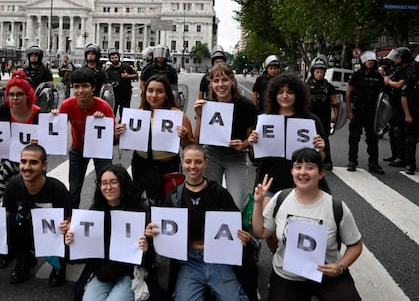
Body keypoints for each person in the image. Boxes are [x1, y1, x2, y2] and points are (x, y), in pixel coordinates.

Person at [251, 148, 365, 301]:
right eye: (298, 167)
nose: (303, 172)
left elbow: (355, 245)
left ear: (320, 173)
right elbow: (261, 233)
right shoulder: (281, 198)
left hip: (325, 273)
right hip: (289, 275)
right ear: (292, 172)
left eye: (310, 167)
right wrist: (258, 204)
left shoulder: (335, 206)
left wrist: (340, 267)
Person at [145, 144, 252, 301]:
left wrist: (244, 237)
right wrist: (151, 232)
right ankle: (205, 290)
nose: (192, 166)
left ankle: (218, 291)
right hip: (190, 260)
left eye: (197, 162)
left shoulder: (219, 192)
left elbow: (237, 224)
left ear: (205, 163)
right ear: (182, 163)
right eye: (188, 161)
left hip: (217, 258)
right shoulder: (173, 196)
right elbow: (162, 228)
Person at [63, 165, 152, 301]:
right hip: (102, 270)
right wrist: (71, 242)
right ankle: (115, 300)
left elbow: (150, 260)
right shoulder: (95, 211)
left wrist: (146, 249)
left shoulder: (138, 212)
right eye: (103, 183)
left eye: (113, 182)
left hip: (128, 272)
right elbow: (79, 255)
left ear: (123, 184)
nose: (108, 187)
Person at [0, 144, 72, 285]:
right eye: (23, 162)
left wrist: (66, 229)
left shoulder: (57, 188)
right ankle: (25, 259)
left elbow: (69, 219)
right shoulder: (13, 185)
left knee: (68, 234)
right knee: (12, 224)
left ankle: (59, 264)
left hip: (51, 232)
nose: (27, 167)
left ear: (44, 165)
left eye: (33, 162)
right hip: (24, 227)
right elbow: (5, 215)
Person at [247, 72, 327, 195]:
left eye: (290, 92)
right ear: (274, 95)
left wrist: (320, 150)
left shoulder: (311, 121)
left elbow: (321, 160)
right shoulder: (263, 119)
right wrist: (252, 145)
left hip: (302, 184)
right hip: (270, 183)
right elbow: (255, 159)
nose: (285, 96)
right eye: (280, 92)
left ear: (298, 95)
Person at [54, 67, 122, 208]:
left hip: (100, 150)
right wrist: (54, 118)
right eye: (76, 87)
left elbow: (115, 139)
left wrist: (113, 129)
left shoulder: (103, 107)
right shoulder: (67, 104)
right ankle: (71, 220)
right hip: (78, 149)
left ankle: (104, 217)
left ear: (93, 88)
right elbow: (56, 130)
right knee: (74, 190)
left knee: (106, 187)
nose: (80, 91)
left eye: (85, 86)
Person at [193, 62, 257, 210]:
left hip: (236, 157)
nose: (220, 85)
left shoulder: (247, 106)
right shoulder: (207, 105)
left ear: (232, 81)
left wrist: (243, 145)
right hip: (212, 155)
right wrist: (199, 116)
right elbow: (197, 141)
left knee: (236, 207)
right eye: (216, 80)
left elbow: (251, 139)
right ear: (211, 83)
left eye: (224, 80)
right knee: (209, 204)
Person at [0, 70, 41, 208]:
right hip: (5, 157)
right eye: (11, 95)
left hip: (30, 157)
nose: (15, 98)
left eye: (19, 94)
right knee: (3, 166)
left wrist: (40, 143)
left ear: (28, 95)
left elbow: (46, 143)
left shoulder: (38, 113)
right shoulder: (1, 111)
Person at [132, 74, 195, 205]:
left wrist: (185, 137)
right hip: (141, 165)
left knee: (167, 205)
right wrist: (120, 132)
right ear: (145, 93)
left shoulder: (177, 115)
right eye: (150, 91)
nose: (154, 95)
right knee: (141, 204)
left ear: (167, 94)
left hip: (167, 167)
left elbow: (191, 148)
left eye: (159, 91)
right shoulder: (140, 112)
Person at [346, 51, 385, 174]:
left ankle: (373, 163)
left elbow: (382, 96)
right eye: (368, 61)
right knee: (354, 137)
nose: (370, 63)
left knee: (373, 139)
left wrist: (381, 115)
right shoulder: (357, 75)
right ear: (364, 62)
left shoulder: (378, 77)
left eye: (372, 61)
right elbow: (349, 92)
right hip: (358, 110)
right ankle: (352, 161)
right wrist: (349, 110)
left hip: (372, 112)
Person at [383, 47, 415, 167]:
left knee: (400, 131)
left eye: (398, 56)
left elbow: (400, 85)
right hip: (395, 103)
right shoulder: (398, 69)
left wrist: (388, 82)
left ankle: (402, 157)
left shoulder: (408, 71)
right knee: (393, 130)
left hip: (403, 104)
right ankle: (395, 154)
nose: (395, 59)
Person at [305, 55, 339, 170]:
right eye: (317, 71)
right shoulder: (305, 86)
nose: (319, 74)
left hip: (324, 118)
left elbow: (335, 102)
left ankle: (327, 160)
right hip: (309, 117)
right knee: (308, 139)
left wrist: (335, 116)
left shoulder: (329, 87)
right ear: (313, 72)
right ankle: (309, 159)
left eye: (321, 72)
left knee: (324, 139)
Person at [105, 48, 138, 120]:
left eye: (116, 57)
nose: (114, 59)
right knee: (112, 113)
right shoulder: (108, 70)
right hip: (114, 95)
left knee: (124, 114)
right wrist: (111, 84)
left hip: (125, 94)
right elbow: (106, 83)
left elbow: (136, 75)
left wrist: (128, 76)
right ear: (110, 59)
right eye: (112, 58)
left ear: (118, 57)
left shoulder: (126, 66)